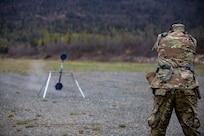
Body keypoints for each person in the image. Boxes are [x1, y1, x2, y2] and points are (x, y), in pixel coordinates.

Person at [146, 23, 201, 136]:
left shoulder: (162, 38)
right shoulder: (191, 40)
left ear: (171, 29)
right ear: (183, 29)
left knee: (158, 126)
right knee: (190, 126)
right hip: (187, 85)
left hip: (164, 85)